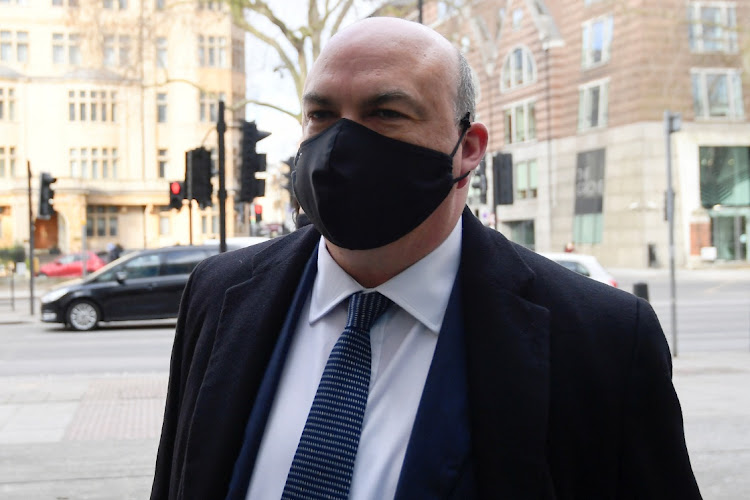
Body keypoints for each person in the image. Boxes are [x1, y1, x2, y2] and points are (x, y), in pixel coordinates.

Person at [150, 17, 701, 500]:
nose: (341, 143)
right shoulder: (217, 293)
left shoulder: (603, 340)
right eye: (321, 114)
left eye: (385, 112)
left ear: (468, 149)